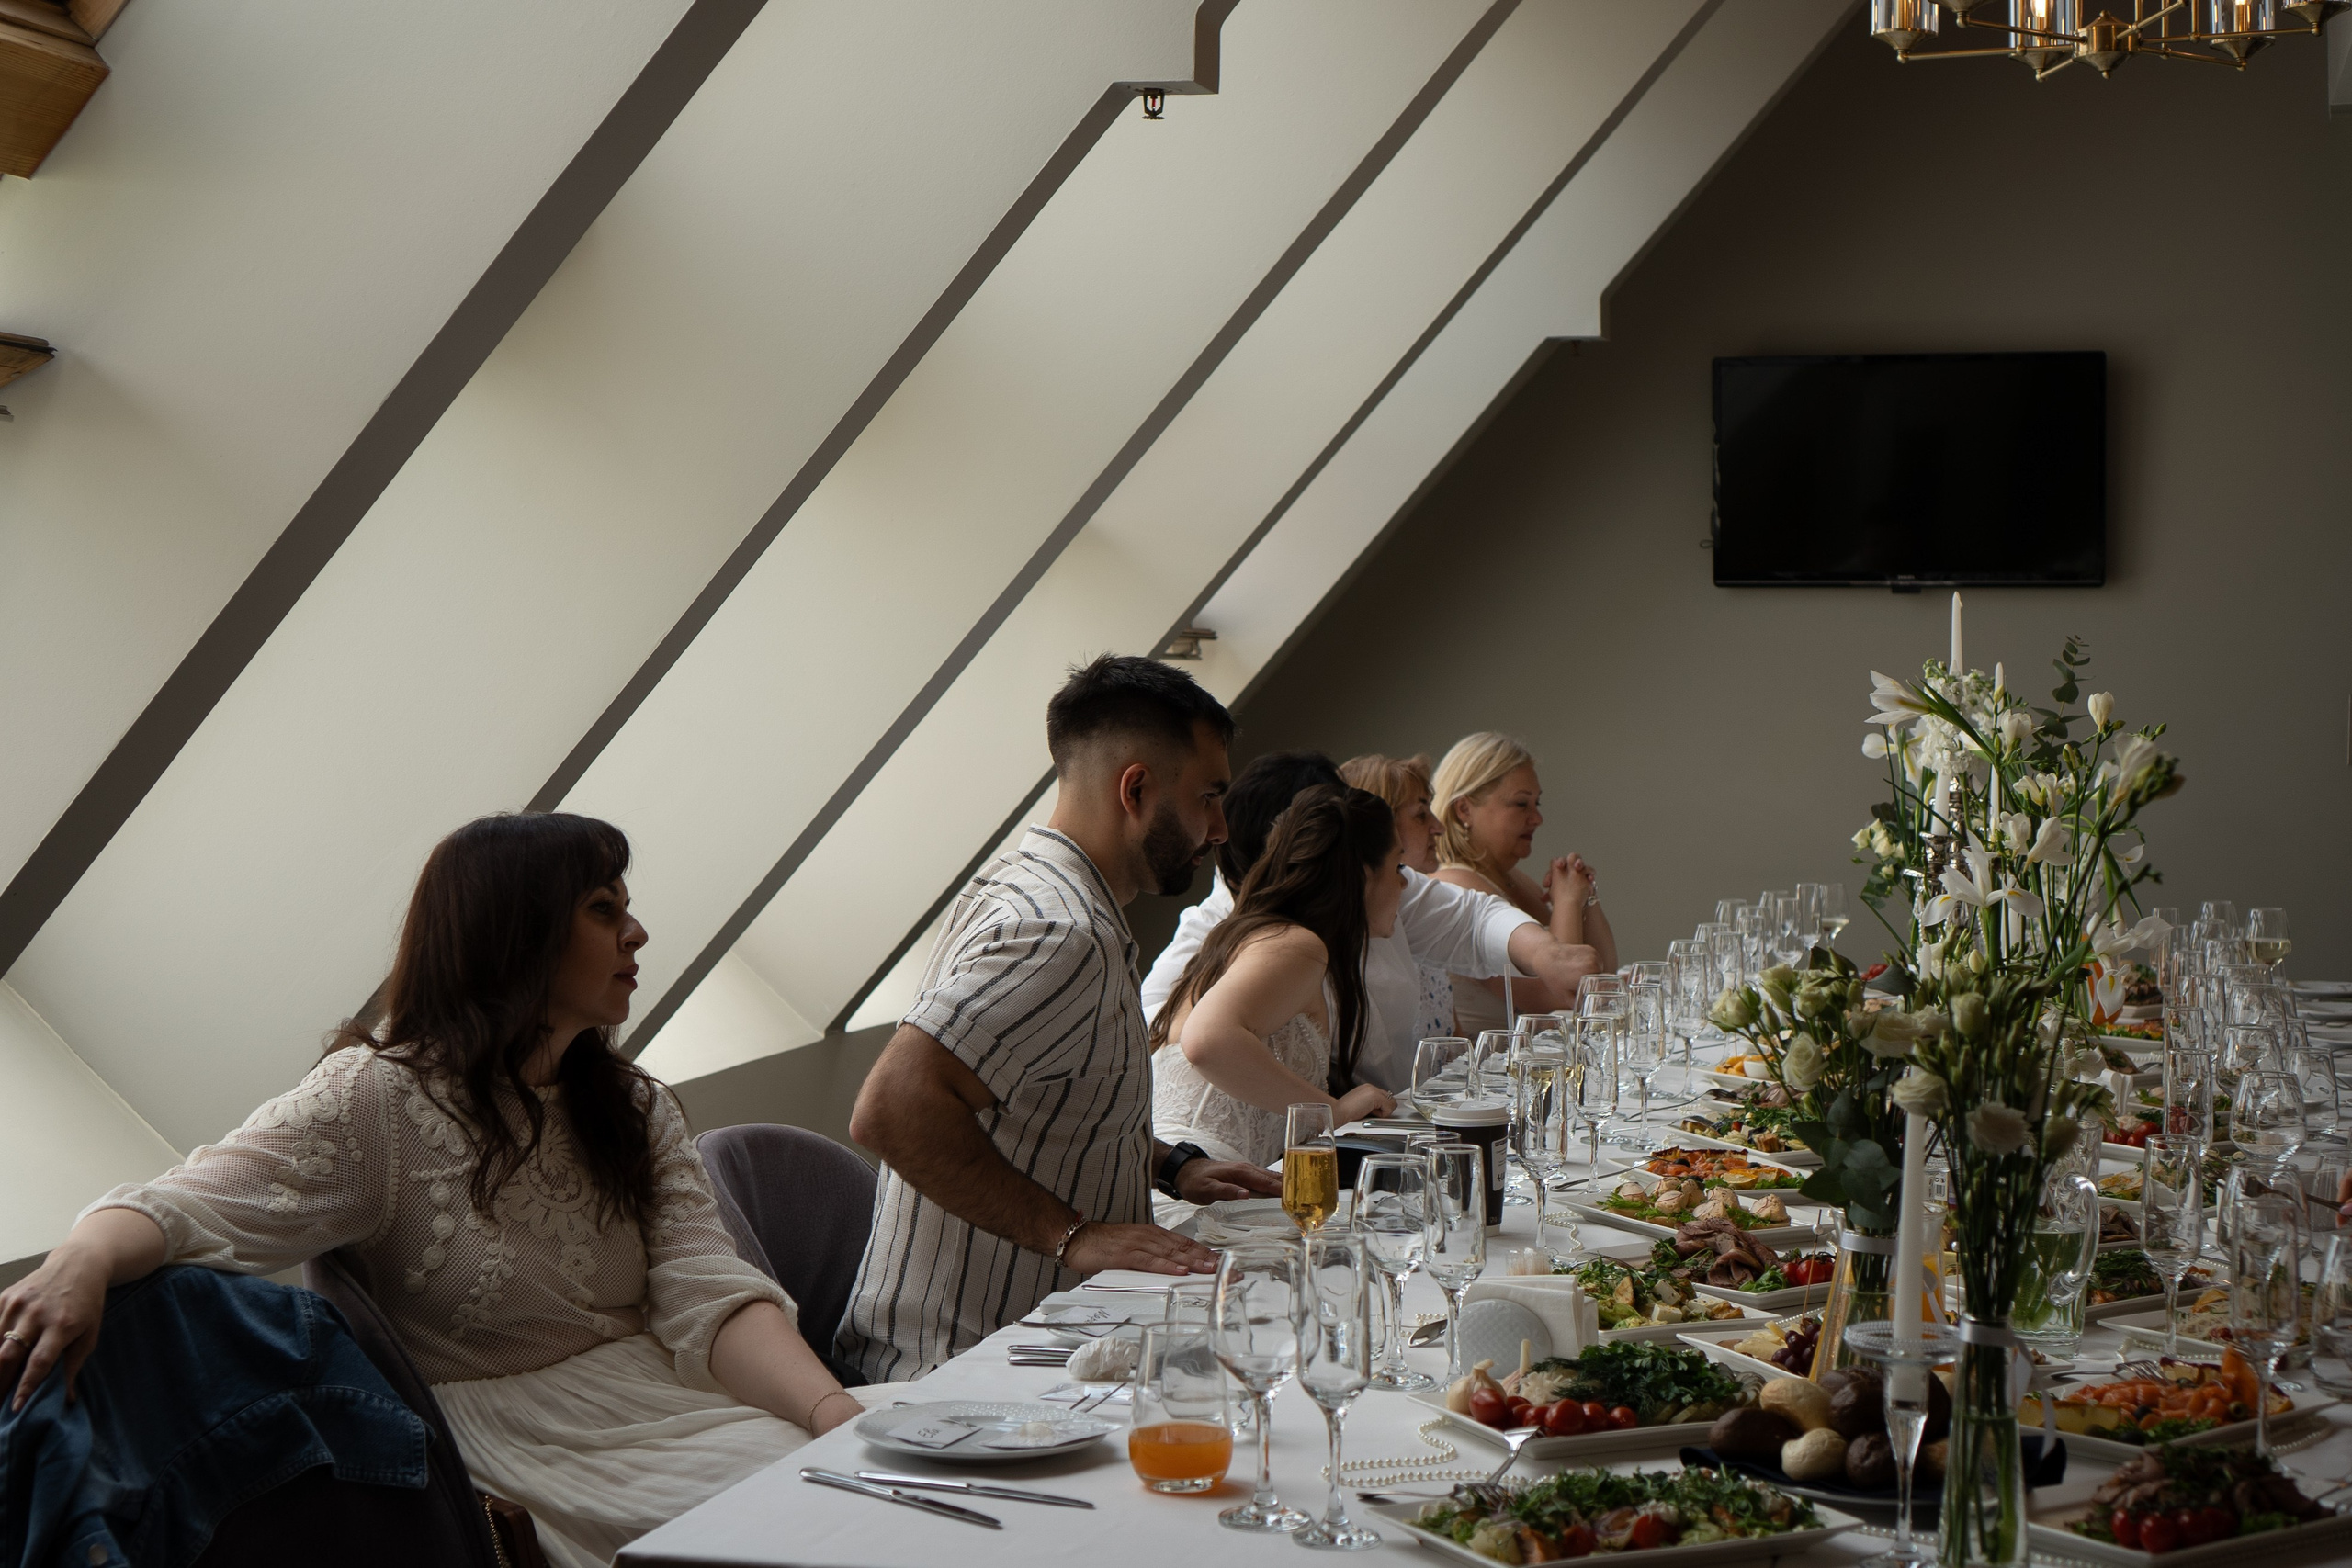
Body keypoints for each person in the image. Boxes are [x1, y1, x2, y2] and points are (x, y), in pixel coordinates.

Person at [0, 813, 853, 1568]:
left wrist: (832, 1410)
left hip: (672, 1401)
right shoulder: (377, 1100)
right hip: (525, 1452)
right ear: (515, 935)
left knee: (869, 1484)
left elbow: (708, 1290)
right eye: (603, 909)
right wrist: (79, 1257)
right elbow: (195, 1202)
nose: (636, 933)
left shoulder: (631, 1105)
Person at [836, 656, 1282, 1384]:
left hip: (1042, 1338)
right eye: (1208, 797)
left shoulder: (1026, 888)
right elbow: (890, 1109)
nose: (1220, 827)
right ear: (1135, 789)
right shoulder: (1060, 934)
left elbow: (1051, 1106)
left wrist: (1173, 1164)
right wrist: (1072, 1235)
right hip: (965, 1366)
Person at [1142, 750, 1602, 1094]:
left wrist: (1547, 952)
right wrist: (1329, 1110)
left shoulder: (1366, 885)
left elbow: (1470, 917)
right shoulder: (1249, 935)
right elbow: (1175, 1047)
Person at [1150, 786, 1402, 1165]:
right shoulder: (1295, 945)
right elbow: (1206, 1039)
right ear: (1364, 877)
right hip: (1200, 1179)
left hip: (1204, 1173)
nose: (1406, 884)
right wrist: (1334, 1110)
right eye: (1398, 867)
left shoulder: (1257, 935)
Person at [1430, 732, 1618, 1035]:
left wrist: (1585, 897)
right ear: (1464, 809)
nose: (1537, 818)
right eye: (1521, 804)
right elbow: (1560, 998)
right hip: (1498, 1073)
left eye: (1537, 803)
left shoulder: (1508, 876)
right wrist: (1567, 902)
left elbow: (1602, 978)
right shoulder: (1455, 885)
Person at [1339, 752, 1453, 1041]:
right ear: (1380, 823)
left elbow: (1453, 1038)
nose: (1438, 827)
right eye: (1421, 814)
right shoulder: (1351, 939)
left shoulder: (1419, 914)